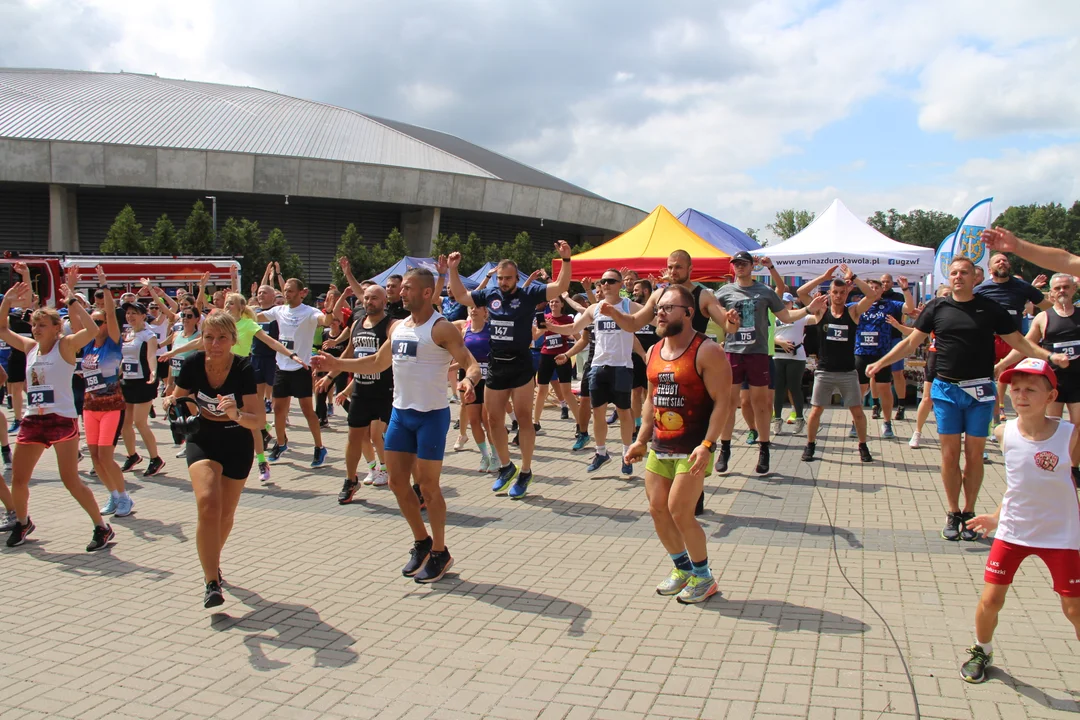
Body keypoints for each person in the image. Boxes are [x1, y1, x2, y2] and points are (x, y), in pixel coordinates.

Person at [866, 257, 1069, 541]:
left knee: (974, 456)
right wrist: (880, 363)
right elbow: (912, 342)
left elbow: (1020, 343)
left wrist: (1049, 356)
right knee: (949, 455)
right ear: (948, 278)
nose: (958, 277)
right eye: (954, 273)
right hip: (946, 390)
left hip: (981, 391)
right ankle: (952, 512)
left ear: (975, 278)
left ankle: (969, 511)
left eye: (964, 273)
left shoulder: (990, 308)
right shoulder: (938, 307)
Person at [312, 267, 482, 583]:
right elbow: (377, 362)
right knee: (395, 483)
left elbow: (471, 364)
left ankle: (441, 551)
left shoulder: (441, 328)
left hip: (431, 416)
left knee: (429, 487)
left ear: (427, 293)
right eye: (400, 288)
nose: (400, 292)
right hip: (400, 416)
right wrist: (336, 364)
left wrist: (469, 382)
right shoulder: (399, 328)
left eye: (407, 288)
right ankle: (422, 541)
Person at [958, 358, 1080, 683]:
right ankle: (982, 649)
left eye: (1031, 389)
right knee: (990, 600)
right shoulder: (1003, 432)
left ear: (1051, 396)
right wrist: (996, 517)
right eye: (1016, 389)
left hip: (1062, 535)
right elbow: (1020, 485)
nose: (1021, 395)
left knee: (1074, 609)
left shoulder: (1070, 436)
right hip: (1013, 531)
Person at [624, 285, 731, 604]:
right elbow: (650, 401)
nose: (659, 312)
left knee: (680, 511)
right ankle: (682, 568)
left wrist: (709, 444)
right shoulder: (654, 351)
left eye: (667, 307)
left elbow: (723, 402)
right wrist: (640, 439)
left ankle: (704, 577)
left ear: (688, 312)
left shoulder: (707, 350)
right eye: (657, 307)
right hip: (660, 444)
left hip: (695, 445)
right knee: (658, 510)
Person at [447, 241, 573, 498]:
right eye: (501, 278)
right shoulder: (490, 296)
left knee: (524, 418)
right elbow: (460, 296)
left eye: (508, 278)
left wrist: (566, 261)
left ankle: (525, 471)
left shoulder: (528, 295)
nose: (504, 282)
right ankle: (506, 466)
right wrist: (452, 269)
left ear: (517, 277)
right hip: (496, 365)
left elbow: (561, 287)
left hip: (521, 364)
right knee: (493, 419)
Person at [1, 278, 115, 551]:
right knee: (19, 478)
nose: (36, 329)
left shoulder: (65, 345)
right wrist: (6, 302)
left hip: (61, 420)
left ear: (56, 328)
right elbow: (2, 329)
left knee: (69, 478)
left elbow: (91, 329)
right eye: (34, 324)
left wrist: (73, 301)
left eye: (42, 325)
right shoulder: (29, 349)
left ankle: (101, 526)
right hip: (33, 420)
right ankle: (22, 521)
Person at [165, 311, 265, 608]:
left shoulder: (244, 368)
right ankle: (211, 582)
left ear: (233, 340)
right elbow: (178, 397)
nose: (215, 344)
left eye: (222, 338)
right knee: (209, 504)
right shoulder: (194, 364)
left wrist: (235, 413)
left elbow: (258, 420)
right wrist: (172, 402)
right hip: (203, 439)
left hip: (237, 441)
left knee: (225, 515)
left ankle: (213, 560)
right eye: (209, 337)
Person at [714, 251, 819, 475]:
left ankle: (764, 448)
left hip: (758, 353)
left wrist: (809, 309)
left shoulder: (764, 291)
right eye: (736, 264)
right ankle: (725, 448)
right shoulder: (724, 292)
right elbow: (711, 315)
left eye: (743, 263)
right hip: (733, 352)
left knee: (761, 404)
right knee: (729, 404)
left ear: (752, 266)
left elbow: (787, 317)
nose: (739, 267)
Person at [549, 269, 641, 477]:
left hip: (622, 367)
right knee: (597, 413)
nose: (606, 284)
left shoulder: (628, 306)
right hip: (599, 366)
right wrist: (550, 326)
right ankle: (601, 453)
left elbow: (651, 315)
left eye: (610, 281)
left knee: (624, 413)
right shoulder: (594, 308)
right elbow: (573, 327)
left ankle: (627, 454)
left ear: (619, 285)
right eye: (603, 281)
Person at [996, 273, 1080, 483]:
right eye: (1058, 288)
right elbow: (1025, 346)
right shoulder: (1044, 318)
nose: (1062, 291)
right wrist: (1003, 363)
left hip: (1078, 380)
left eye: (1066, 287)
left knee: (1078, 426)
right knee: (1053, 426)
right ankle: (1053, 467)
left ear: (1073, 290)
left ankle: (1073, 468)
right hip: (1053, 382)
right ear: (1051, 293)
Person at [316, 284, 395, 503]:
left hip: (385, 391)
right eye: (366, 298)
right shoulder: (357, 325)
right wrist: (331, 376)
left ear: (384, 301)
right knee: (354, 438)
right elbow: (348, 353)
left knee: (383, 436)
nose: (369, 302)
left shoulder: (390, 326)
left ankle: (396, 475)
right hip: (361, 390)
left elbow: (378, 360)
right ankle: (351, 480)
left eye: (375, 298)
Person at [795, 267, 878, 463]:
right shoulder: (821, 311)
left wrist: (854, 277)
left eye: (842, 292)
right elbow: (801, 293)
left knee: (857, 411)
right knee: (816, 411)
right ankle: (810, 445)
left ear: (847, 293)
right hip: (824, 371)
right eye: (835, 292)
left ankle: (863, 445)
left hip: (848, 371)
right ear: (830, 293)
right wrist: (823, 277)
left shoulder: (853, 312)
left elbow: (872, 295)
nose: (838, 296)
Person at [256, 278, 333, 469]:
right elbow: (256, 318)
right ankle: (281, 443)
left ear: (302, 292)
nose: (287, 294)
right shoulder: (279, 310)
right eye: (285, 291)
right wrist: (238, 308)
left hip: (302, 368)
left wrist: (330, 310)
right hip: (281, 366)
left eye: (290, 291)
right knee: (279, 409)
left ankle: (319, 447)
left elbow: (326, 321)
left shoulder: (309, 312)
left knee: (308, 411)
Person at [975, 252, 1051, 424]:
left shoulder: (1022, 287)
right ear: (990, 268)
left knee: (1021, 381)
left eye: (1005, 260)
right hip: (990, 341)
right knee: (988, 382)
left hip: (1015, 341)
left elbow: (1047, 307)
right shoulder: (980, 290)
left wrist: (1062, 315)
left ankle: (1022, 420)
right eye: (997, 261)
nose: (1002, 262)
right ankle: (994, 421)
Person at [82, 267, 133, 517]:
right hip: (90, 406)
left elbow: (111, 313)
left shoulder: (113, 342)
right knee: (95, 458)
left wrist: (104, 285)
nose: (95, 325)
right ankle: (113, 495)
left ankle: (125, 497)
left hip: (112, 405)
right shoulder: (88, 345)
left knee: (106, 455)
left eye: (98, 322)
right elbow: (75, 315)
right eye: (92, 321)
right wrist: (71, 293)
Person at [854, 276, 915, 439]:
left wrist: (905, 289)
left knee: (885, 388)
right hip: (862, 352)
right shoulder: (858, 306)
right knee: (859, 389)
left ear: (882, 290)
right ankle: (856, 422)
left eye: (876, 287)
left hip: (882, 353)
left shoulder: (890, 304)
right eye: (870, 287)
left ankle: (887, 423)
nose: (873, 290)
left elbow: (910, 307)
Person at [118, 299, 163, 477]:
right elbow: (125, 359)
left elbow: (151, 356)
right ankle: (132, 455)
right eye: (128, 313)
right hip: (127, 382)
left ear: (143, 316)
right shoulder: (128, 334)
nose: (130, 316)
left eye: (134, 313)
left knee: (140, 422)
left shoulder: (148, 335)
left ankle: (155, 458)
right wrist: (117, 374)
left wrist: (153, 373)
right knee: (125, 424)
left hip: (143, 382)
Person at [455, 304, 495, 472]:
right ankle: (484, 455)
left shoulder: (491, 330)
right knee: (473, 420)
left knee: (487, 420)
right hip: (469, 380)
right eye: (471, 307)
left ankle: (496, 455)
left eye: (478, 307)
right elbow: (463, 359)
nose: (473, 310)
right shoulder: (465, 332)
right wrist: (446, 368)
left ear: (485, 311)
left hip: (489, 380)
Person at [772, 293, 812, 436]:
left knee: (794, 387)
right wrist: (780, 342)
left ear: (792, 304)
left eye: (786, 303)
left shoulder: (799, 315)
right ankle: (777, 418)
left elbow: (817, 318)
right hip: (777, 356)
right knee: (778, 389)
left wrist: (817, 305)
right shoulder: (773, 316)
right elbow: (766, 333)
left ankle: (799, 417)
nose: (783, 305)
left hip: (796, 357)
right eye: (781, 302)